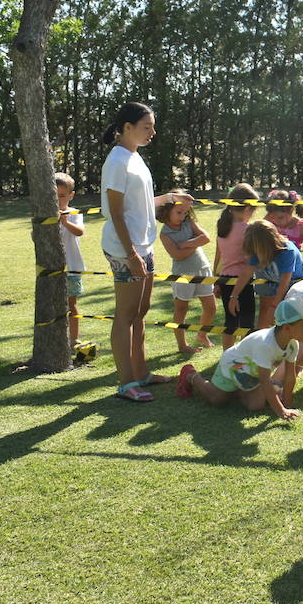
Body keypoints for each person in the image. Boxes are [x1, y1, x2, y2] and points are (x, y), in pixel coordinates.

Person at [100, 102, 191, 403]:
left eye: (153, 126)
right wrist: (131, 254)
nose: (153, 132)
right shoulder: (117, 160)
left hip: (143, 245)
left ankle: (141, 373)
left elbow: (139, 203)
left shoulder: (135, 156)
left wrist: (169, 197)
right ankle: (126, 383)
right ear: (127, 127)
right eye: (146, 127)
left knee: (140, 312)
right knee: (125, 315)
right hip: (126, 249)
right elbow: (116, 213)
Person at [176, 300, 303, 420]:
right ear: (287, 328)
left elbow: (290, 375)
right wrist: (281, 411)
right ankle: (191, 374)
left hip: (252, 374)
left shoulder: (293, 344)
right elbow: (265, 380)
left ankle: (237, 389)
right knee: (217, 400)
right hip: (232, 367)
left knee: (256, 406)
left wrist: (287, 404)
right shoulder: (266, 345)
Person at [157, 191, 217, 355]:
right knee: (181, 309)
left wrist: (186, 244)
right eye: (179, 212)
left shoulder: (188, 222)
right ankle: (182, 345)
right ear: (167, 210)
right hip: (182, 275)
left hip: (203, 270)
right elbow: (177, 255)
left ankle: (202, 335)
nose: (182, 216)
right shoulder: (165, 234)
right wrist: (195, 243)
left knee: (211, 308)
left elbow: (206, 238)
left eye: (185, 212)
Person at [239, 219, 303, 329]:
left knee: (293, 320)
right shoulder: (257, 250)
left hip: (296, 286)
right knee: (265, 313)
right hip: (273, 282)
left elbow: (284, 283)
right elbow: (246, 274)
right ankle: (263, 339)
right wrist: (234, 296)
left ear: (264, 244)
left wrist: (274, 307)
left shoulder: (287, 251)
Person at [214, 183, 260, 349]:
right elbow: (251, 260)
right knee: (247, 323)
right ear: (248, 208)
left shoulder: (222, 225)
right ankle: (246, 356)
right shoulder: (247, 229)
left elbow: (218, 256)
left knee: (230, 321)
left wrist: (216, 281)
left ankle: (227, 356)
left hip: (225, 279)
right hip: (242, 280)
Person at [54, 172, 86, 354]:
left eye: (62, 196)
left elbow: (80, 232)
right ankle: (57, 339)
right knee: (53, 306)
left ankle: (73, 338)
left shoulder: (74, 213)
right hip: (51, 268)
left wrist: (65, 222)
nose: (58, 200)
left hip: (72, 267)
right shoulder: (45, 214)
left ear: (71, 195)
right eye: (54, 196)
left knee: (71, 304)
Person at [264, 190, 303, 270]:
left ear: (291, 211)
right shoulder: (268, 223)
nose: (275, 221)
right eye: (271, 217)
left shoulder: (301, 227)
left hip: (293, 271)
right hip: (271, 270)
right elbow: (255, 232)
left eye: (280, 217)